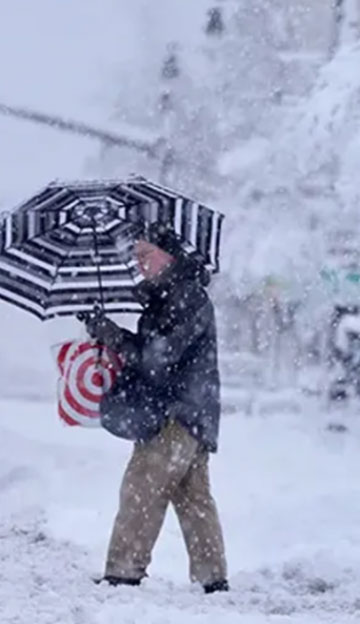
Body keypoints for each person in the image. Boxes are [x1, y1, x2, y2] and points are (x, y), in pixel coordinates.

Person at [78, 221, 228, 594]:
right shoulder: (173, 296)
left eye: (146, 254)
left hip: (174, 415)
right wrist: (107, 330)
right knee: (194, 499)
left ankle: (123, 574)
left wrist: (111, 335)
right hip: (193, 413)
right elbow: (156, 354)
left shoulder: (183, 297)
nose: (139, 262)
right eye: (136, 256)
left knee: (141, 489)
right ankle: (212, 580)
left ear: (169, 255)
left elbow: (157, 360)